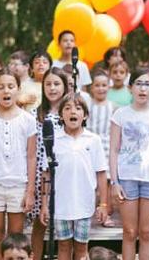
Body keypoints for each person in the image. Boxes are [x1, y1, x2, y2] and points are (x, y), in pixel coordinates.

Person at [109, 68, 149, 260]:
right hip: (126, 178)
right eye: (138, 83)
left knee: (146, 232)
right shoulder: (120, 114)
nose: (142, 89)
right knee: (129, 231)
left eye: (147, 84)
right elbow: (113, 150)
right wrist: (115, 182)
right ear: (130, 88)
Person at [0, 68, 37, 260]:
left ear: (18, 89)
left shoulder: (28, 120)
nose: (6, 91)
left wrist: (30, 191)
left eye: (11, 86)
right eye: (1, 87)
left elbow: (31, 156)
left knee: (15, 237)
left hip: (18, 184)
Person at [40, 93, 108, 259]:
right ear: (61, 115)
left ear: (84, 115)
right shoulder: (53, 139)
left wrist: (104, 204)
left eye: (78, 108)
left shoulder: (93, 140)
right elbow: (46, 173)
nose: (73, 112)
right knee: (63, 246)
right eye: (68, 108)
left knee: (81, 247)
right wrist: (44, 204)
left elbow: (101, 173)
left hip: (84, 204)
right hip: (60, 205)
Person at [29, 67, 68, 260]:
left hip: (62, 172)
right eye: (48, 84)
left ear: (65, 86)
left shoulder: (69, 112)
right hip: (39, 173)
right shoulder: (36, 113)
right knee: (40, 222)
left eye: (56, 84)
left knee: (62, 223)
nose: (52, 88)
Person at [86, 69, 116, 227]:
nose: (101, 88)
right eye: (97, 85)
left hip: (106, 145)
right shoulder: (87, 105)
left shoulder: (113, 106)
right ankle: (86, 213)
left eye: (104, 85)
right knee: (88, 180)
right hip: (88, 145)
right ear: (92, 87)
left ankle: (106, 214)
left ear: (109, 87)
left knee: (106, 182)